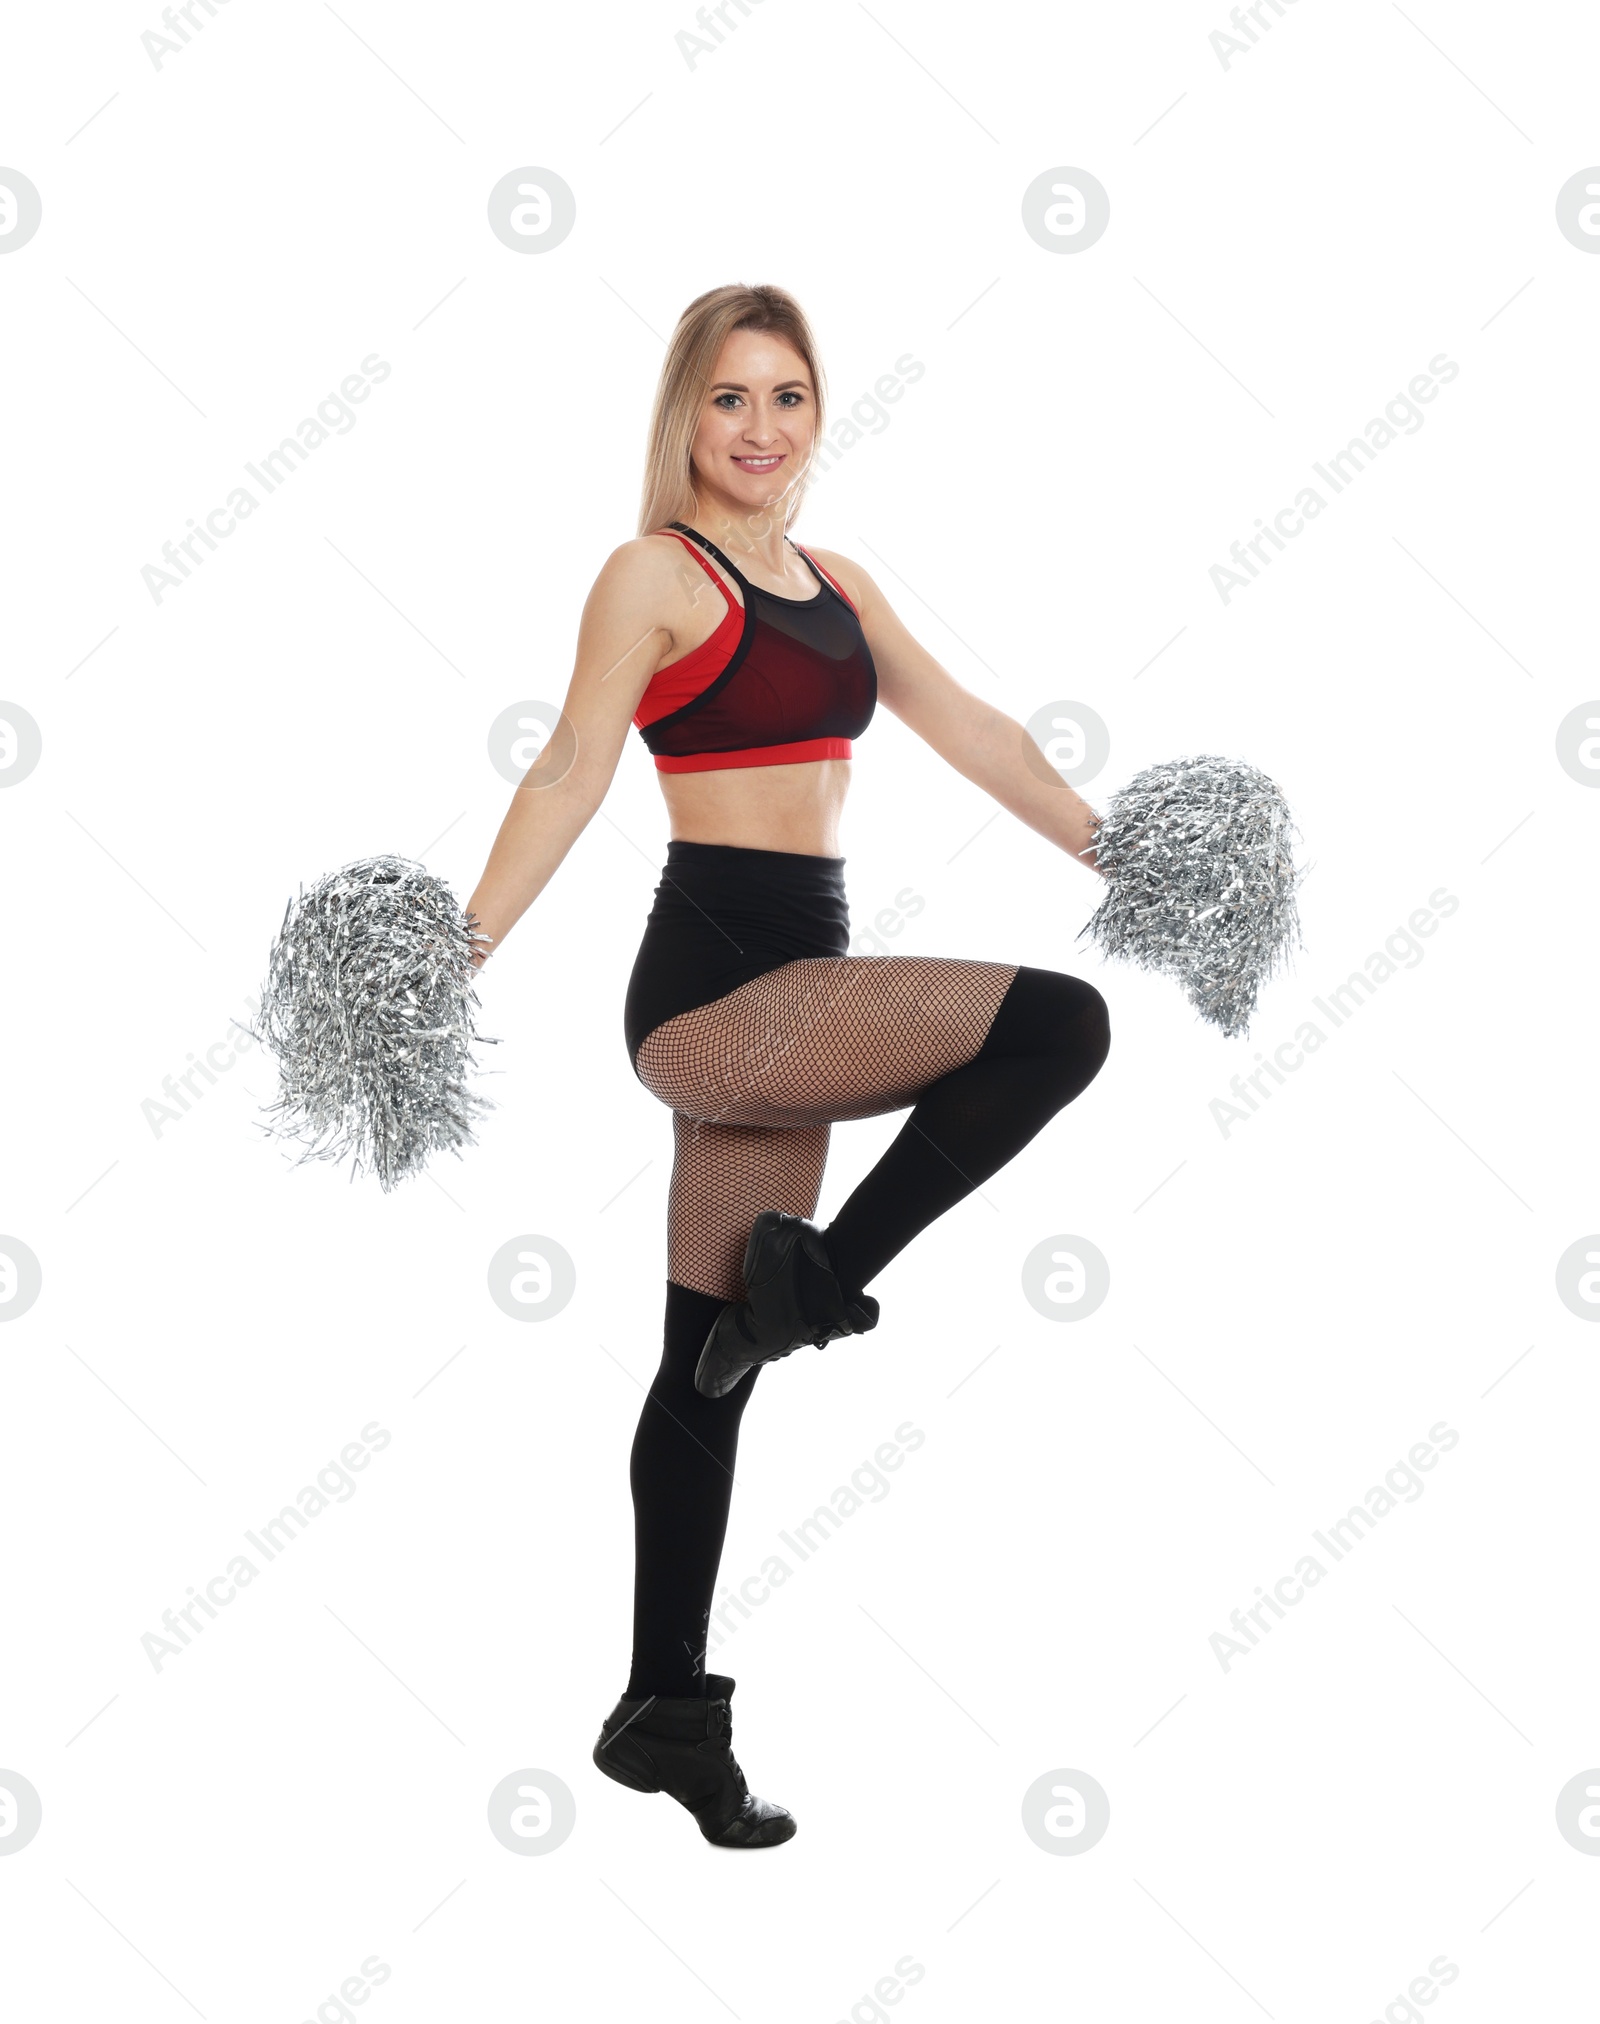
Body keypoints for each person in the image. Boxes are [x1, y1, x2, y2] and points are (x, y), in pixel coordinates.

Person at [464, 283, 1111, 1849]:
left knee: (703, 1372)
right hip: (713, 1002)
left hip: (804, 995)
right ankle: (814, 1285)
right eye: (729, 399)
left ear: (821, 414)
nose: (760, 429)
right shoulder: (651, 575)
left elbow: (979, 734)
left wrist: (1127, 858)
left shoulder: (839, 585)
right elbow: (565, 768)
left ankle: (660, 1714)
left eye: (789, 399)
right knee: (1057, 1025)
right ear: (685, 416)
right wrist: (455, 947)